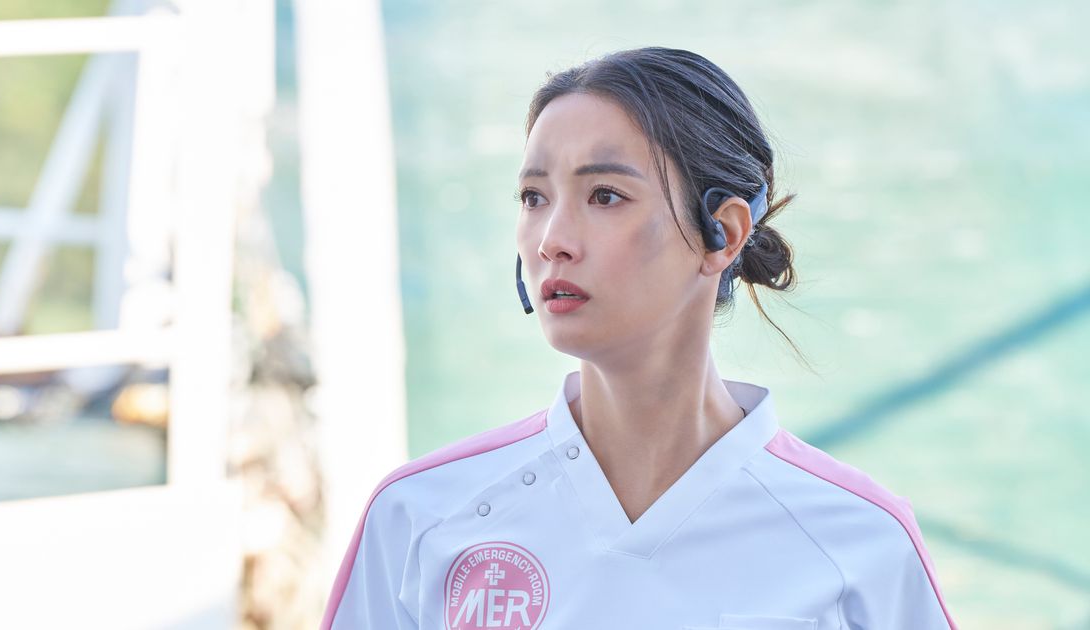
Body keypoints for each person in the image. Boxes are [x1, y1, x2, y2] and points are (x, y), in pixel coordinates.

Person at [321, 46, 958, 629]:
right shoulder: (419, 517)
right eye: (533, 196)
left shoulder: (862, 545)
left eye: (604, 195)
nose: (551, 240)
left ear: (724, 234)